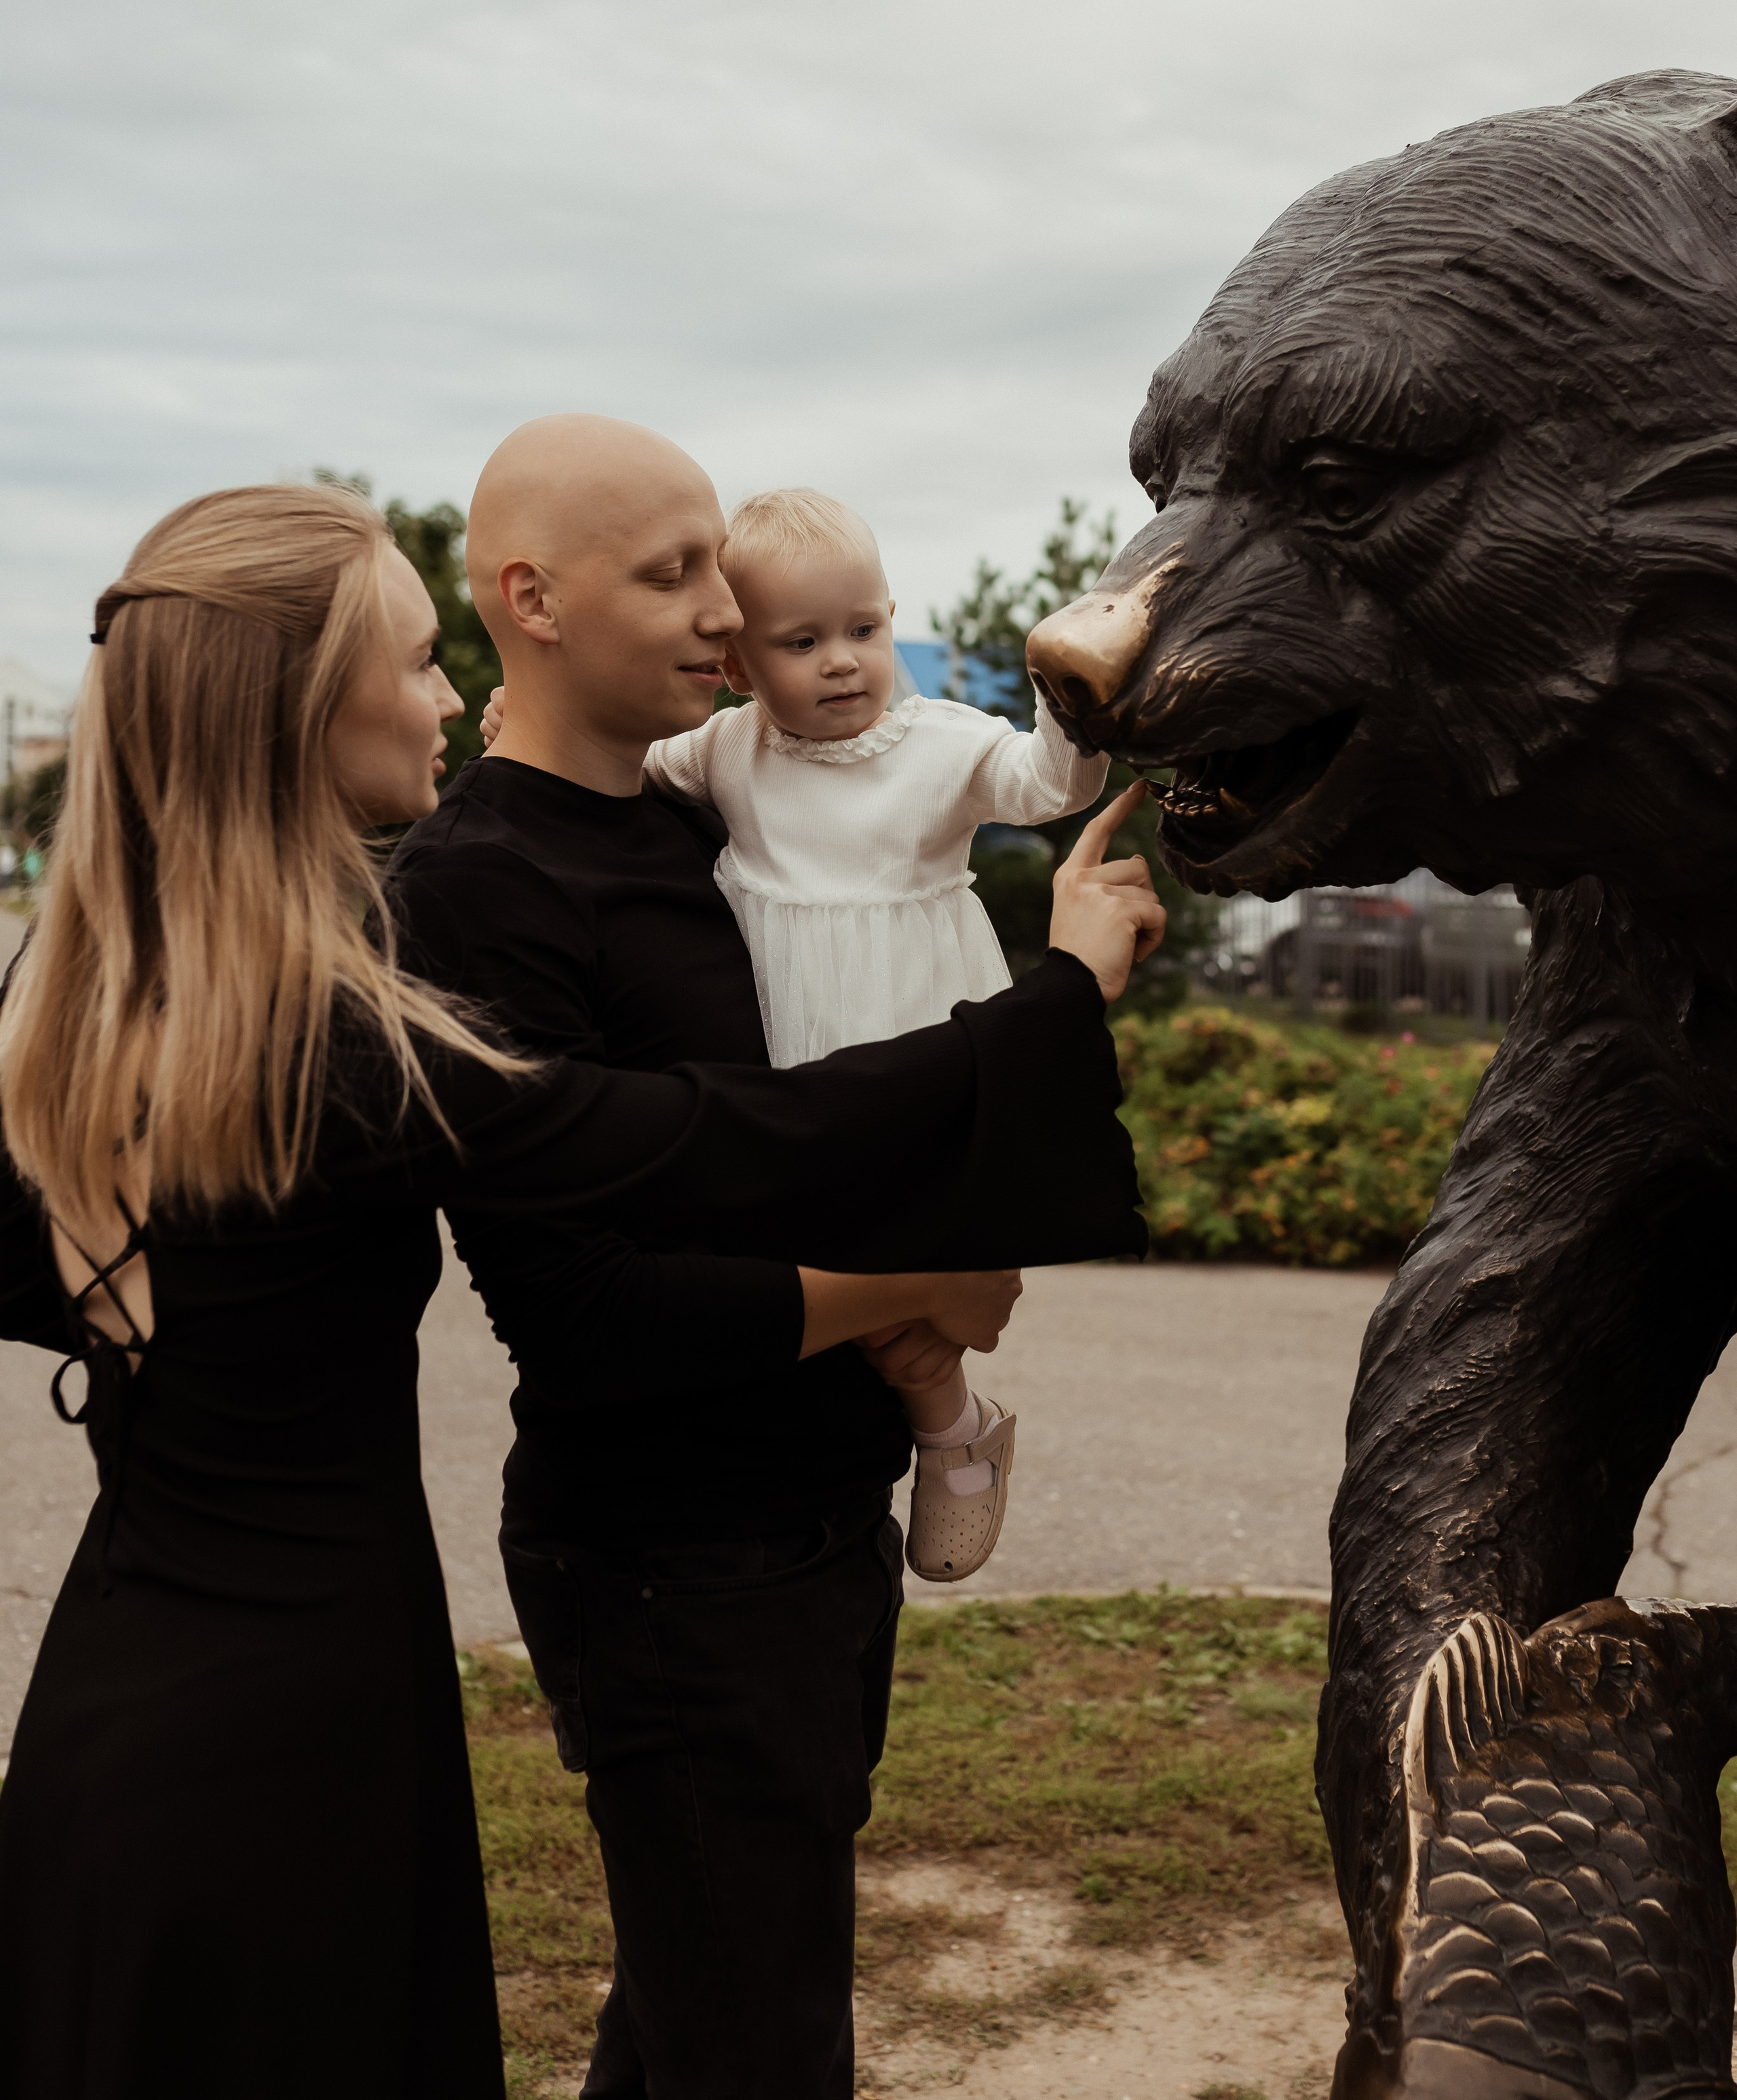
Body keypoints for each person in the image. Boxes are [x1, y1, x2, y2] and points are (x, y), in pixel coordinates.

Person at [0, 480, 1158, 2100]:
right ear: (292, 708)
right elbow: (712, 1142)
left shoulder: (87, 1015)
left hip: (127, 1690)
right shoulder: (343, 1043)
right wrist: (1057, 998)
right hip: (298, 1714)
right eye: (411, 663)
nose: (441, 697)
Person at [389, 415, 1162, 2100]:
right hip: (673, 1555)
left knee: (700, 2019)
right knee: (759, 2039)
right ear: (529, 598)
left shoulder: (698, 823)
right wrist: (928, 1274)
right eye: (678, 579)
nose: (725, 624)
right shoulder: (477, 885)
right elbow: (587, 1317)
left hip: (811, 1518)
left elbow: (838, 1083)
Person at [481, 480, 1112, 1585]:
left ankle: (946, 1420)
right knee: (820, 1261)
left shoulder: (939, 744)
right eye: (802, 640)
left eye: (865, 629)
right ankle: (952, 1420)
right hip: (792, 1062)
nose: (842, 662)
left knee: (923, 1241)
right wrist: (508, 723)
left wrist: (1068, 691)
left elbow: (1047, 782)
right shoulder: (726, 754)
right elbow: (601, 763)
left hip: (918, 1038)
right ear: (740, 665)